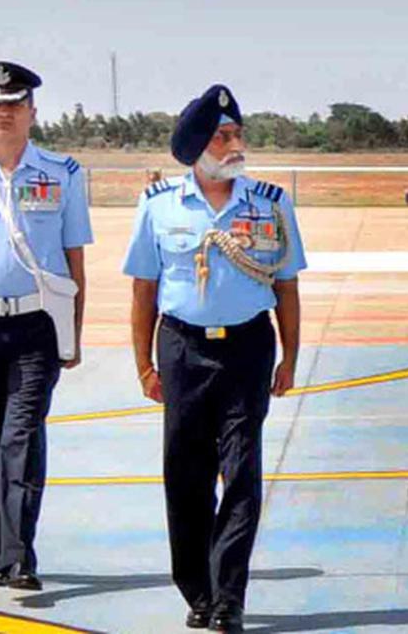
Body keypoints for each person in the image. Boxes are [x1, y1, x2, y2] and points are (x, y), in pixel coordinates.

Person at [123, 84, 307, 631]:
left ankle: (229, 596)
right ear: (197, 147)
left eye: (237, 134)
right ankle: (197, 590)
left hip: (248, 349)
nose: (235, 144)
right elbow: (143, 292)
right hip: (181, 348)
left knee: (242, 471)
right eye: (223, 136)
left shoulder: (271, 203)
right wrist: (144, 365)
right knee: (185, 474)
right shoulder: (158, 207)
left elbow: (288, 286)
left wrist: (290, 357)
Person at [0, 62, 92, 591]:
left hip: (35, 324)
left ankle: (18, 555)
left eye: (14, 104)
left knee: (22, 435)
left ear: (32, 113)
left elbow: (74, 259)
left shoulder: (63, 174)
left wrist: (72, 332)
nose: (4, 113)